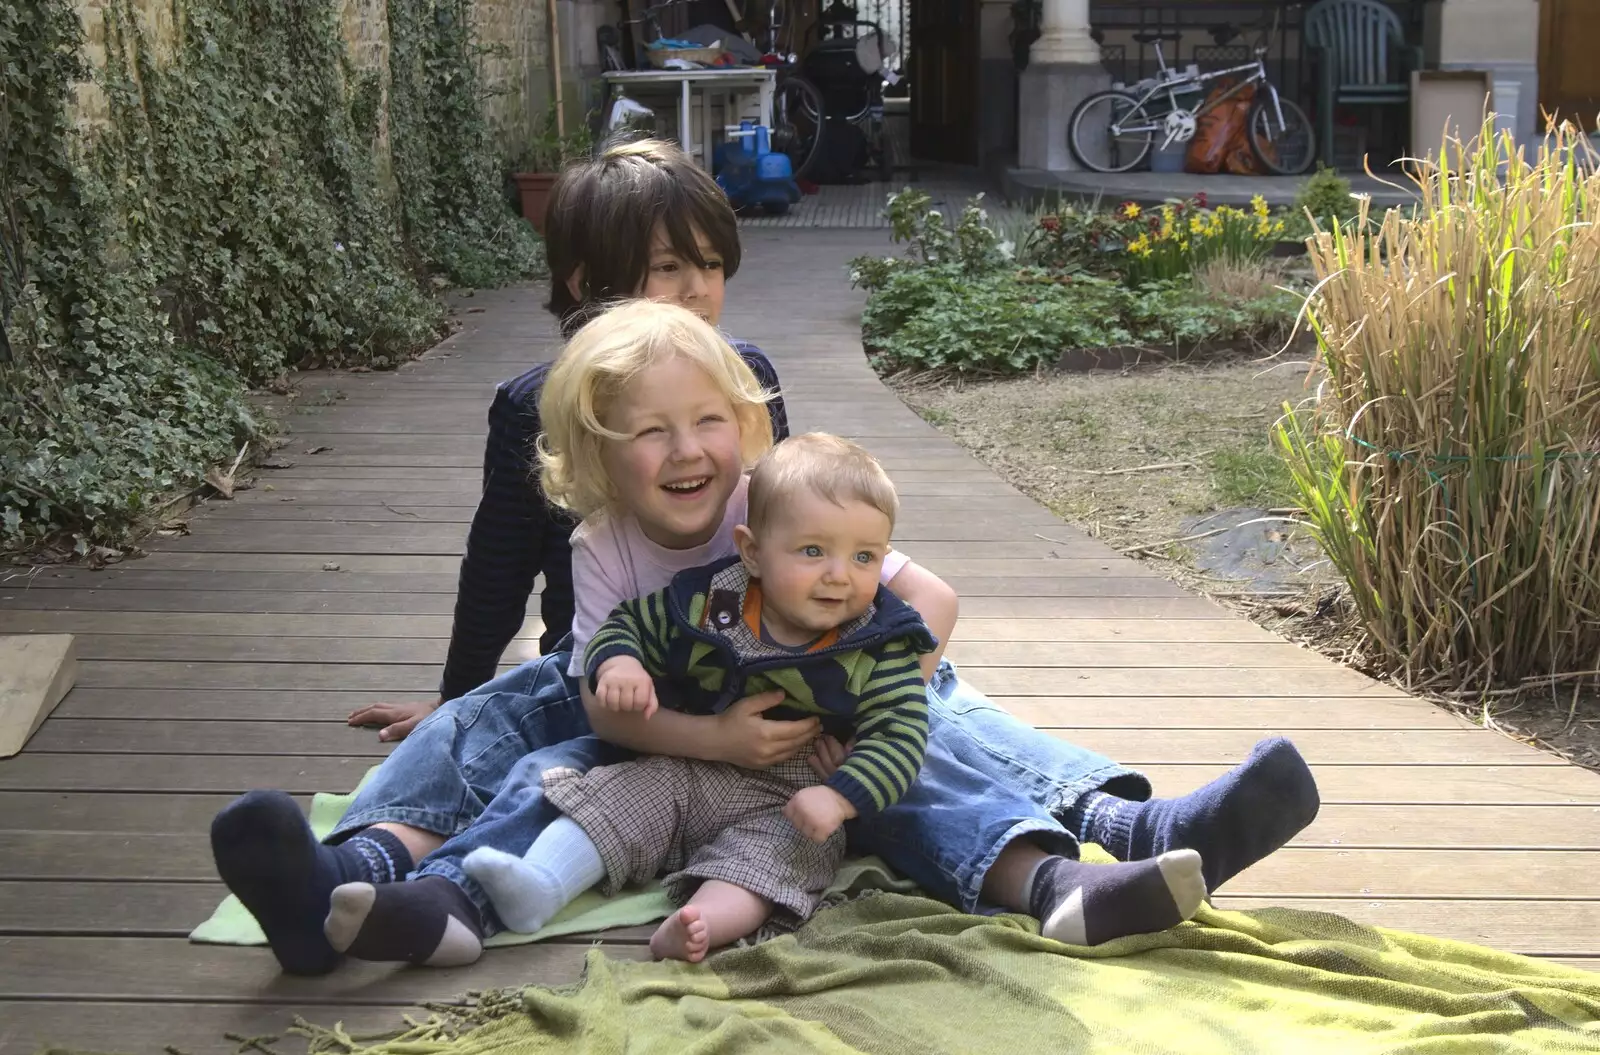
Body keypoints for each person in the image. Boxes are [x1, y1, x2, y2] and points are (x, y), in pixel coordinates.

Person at [209, 138, 1320, 976]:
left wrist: (876, 667)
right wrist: (452, 688)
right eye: (660, 272)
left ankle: (1124, 823)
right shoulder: (533, 415)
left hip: (787, 644)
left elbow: (801, 537)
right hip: (614, 674)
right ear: (587, 287)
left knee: (930, 704)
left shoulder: (742, 375)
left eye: (708, 267)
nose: (692, 295)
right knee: (488, 728)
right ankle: (346, 879)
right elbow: (498, 561)